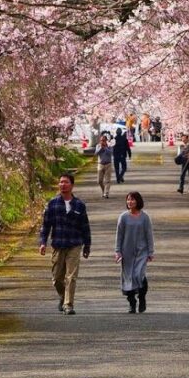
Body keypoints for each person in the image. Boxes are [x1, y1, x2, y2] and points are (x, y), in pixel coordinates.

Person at [39, 174, 92, 315]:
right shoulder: (52, 204)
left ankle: (68, 305)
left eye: (66, 182)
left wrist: (87, 245)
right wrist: (43, 242)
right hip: (58, 244)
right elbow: (46, 225)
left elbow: (85, 226)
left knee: (71, 276)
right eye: (61, 182)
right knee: (57, 278)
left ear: (72, 185)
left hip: (74, 244)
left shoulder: (79, 205)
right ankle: (63, 296)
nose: (63, 185)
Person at [114, 191, 155, 313]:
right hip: (127, 252)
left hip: (142, 251)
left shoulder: (145, 217)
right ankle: (132, 303)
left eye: (132, 199)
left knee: (138, 275)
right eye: (128, 199)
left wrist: (150, 251)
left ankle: (142, 297)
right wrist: (117, 251)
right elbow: (119, 235)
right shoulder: (123, 217)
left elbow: (149, 235)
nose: (130, 202)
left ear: (138, 201)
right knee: (128, 277)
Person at [95, 134, 115, 198]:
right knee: (99, 181)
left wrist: (105, 148)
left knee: (107, 180)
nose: (102, 142)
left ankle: (106, 193)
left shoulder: (109, 146)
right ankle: (103, 190)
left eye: (103, 140)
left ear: (106, 140)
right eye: (101, 140)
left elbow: (111, 153)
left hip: (108, 164)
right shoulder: (98, 146)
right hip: (100, 165)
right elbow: (96, 153)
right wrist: (101, 148)